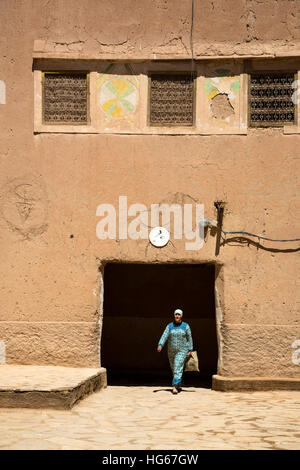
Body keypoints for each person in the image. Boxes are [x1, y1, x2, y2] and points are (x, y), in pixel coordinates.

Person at [157, 308, 193, 394]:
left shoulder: (186, 326)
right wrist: (160, 344)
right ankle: (178, 383)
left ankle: (174, 387)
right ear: (174, 315)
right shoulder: (169, 326)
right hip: (171, 351)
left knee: (177, 366)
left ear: (181, 316)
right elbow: (164, 335)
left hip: (182, 350)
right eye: (176, 314)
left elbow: (189, 338)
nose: (177, 316)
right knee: (174, 368)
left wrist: (190, 349)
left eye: (179, 314)